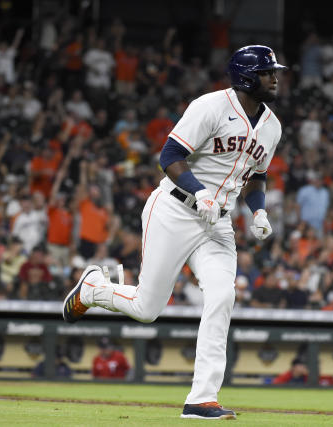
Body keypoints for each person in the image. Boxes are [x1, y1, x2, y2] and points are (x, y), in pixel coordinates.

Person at [63, 45, 285, 420]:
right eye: (268, 73)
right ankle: (94, 288)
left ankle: (202, 398)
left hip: (218, 224)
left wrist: (259, 209)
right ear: (247, 77)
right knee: (147, 309)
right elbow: (169, 156)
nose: (275, 78)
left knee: (222, 296)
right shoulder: (210, 107)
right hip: (175, 210)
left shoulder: (273, 127)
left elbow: (256, 176)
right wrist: (199, 191)